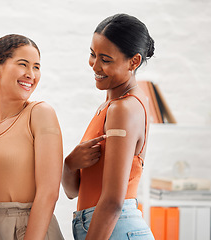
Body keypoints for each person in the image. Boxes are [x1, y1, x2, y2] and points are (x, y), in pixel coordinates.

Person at [62, 14, 155, 239]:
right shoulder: (112, 105)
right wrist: (69, 165)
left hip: (114, 227)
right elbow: (73, 192)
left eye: (105, 59)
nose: (95, 65)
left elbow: (113, 201)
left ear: (134, 61)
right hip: (106, 226)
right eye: (92, 54)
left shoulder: (124, 109)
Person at [0, 34, 64, 240]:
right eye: (23, 64)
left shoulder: (40, 113)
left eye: (36, 67)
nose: (31, 74)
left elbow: (49, 194)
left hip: (30, 229)